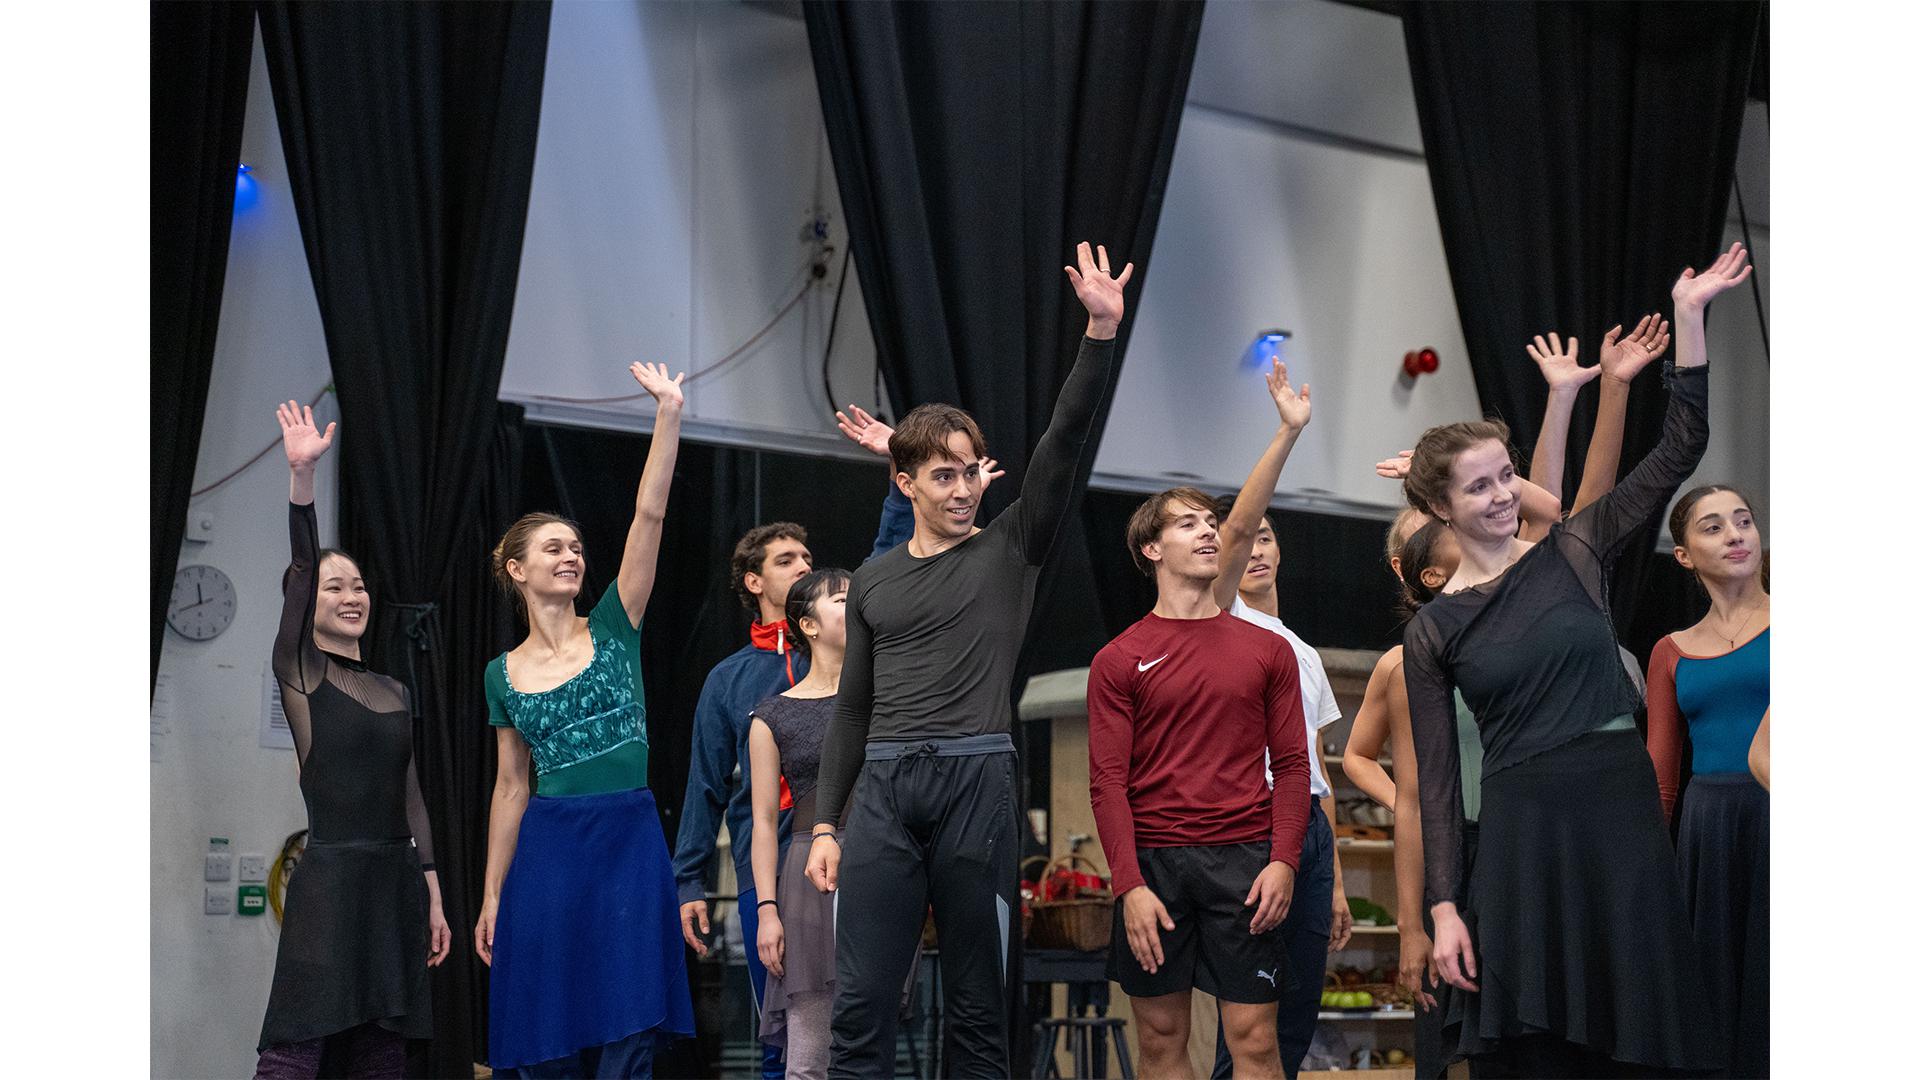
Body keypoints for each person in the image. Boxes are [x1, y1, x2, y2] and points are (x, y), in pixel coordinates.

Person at [1401, 242, 1750, 1077]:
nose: (1498, 496)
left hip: (1617, 807)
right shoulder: (1433, 631)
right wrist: (1444, 906)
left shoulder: (1575, 551)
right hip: (1523, 830)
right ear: (1440, 507)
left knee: (1637, 1026)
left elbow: (1681, 448)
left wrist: (1693, 321)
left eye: (1504, 477)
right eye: (1477, 487)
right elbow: (1443, 784)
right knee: (1534, 1046)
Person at [804, 242, 1133, 1078]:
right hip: (881, 791)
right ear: (905, 482)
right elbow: (851, 707)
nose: (961, 488)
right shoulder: (873, 578)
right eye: (942, 475)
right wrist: (826, 822)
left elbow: (1060, 447)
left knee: (982, 1016)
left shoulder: (1010, 549)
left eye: (968, 474)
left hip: (976, 787)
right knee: (861, 1011)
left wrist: (1099, 334)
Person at [1347, 315, 1672, 1078]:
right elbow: (1416, 793)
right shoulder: (1433, 650)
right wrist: (1423, 914)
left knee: (1612, 1027)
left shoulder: (1552, 589)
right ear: (1429, 574)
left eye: (1499, 491)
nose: (1500, 513)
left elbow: (1562, 504)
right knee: (1527, 1042)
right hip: (1496, 846)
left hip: (1592, 828)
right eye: (1461, 507)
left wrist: (1572, 399)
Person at [476, 362, 696, 1077]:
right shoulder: (500, 674)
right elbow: (511, 788)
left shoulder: (613, 626)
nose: (571, 555)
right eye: (553, 548)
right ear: (516, 569)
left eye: (575, 547)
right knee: (549, 1030)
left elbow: (649, 516)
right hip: (549, 851)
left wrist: (669, 413)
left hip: (628, 840)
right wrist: (491, 895)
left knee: (631, 1025)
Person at [1088, 487, 1311, 1080]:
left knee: (1256, 1042)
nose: (1209, 532)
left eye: (1211, 522)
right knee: (1161, 1038)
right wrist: (1128, 885)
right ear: (1152, 548)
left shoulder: (1269, 650)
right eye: (1188, 525)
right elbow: (1107, 782)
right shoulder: (1118, 658)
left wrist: (1284, 860)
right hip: (1154, 868)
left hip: (1245, 864)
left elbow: (1293, 766)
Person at [254, 403, 449, 1080]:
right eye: (335, 587)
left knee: (382, 1048)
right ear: (307, 606)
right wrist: (302, 479)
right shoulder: (301, 674)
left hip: (394, 882)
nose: (352, 594)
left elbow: (412, 797)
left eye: (359, 584)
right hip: (332, 881)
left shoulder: (396, 690)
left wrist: (431, 889)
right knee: (295, 1044)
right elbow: (304, 564)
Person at [1197, 360, 1345, 1080]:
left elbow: (1319, 768)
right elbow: (1232, 535)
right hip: (1251, 826)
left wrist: (1338, 876)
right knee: (1248, 1023)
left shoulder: (1306, 654)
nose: (1254, 550)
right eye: (1245, 539)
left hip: (1310, 832)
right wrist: (1288, 433)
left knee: (1296, 1019)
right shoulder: (1219, 619)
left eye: (1265, 539)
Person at [1645, 484, 1770, 1078]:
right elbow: (1662, 776)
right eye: (1714, 526)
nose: (1736, 534)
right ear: (1684, 555)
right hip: (1709, 829)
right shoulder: (1670, 651)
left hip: (1777, 808)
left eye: (1744, 521)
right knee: (1716, 994)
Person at [748, 568, 854, 1080]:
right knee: (810, 1053)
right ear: (808, 624)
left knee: (867, 1041)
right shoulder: (773, 715)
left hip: (878, 859)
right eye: (841, 599)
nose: (855, 607)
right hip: (807, 867)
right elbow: (764, 821)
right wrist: (768, 910)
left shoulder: (887, 698)